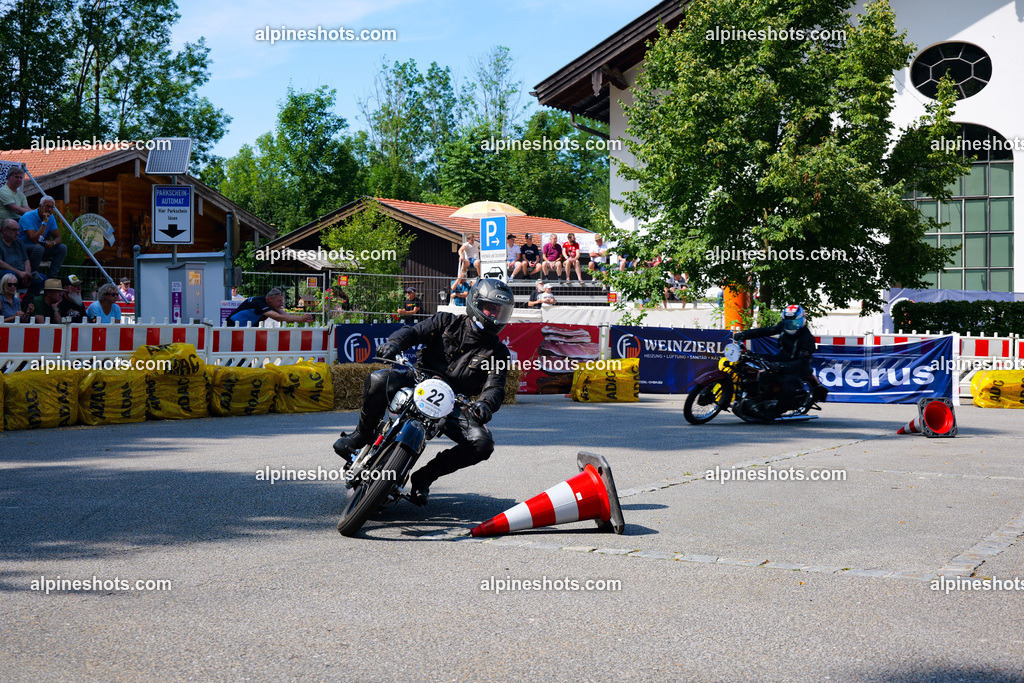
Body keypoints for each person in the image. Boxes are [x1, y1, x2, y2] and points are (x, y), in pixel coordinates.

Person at [333, 278, 515, 505]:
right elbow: (413, 332)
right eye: (490, 308)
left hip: (454, 402)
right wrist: (394, 344)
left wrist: (486, 404)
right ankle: (360, 435)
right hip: (418, 379)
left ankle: (425, 477)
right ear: (475, 303)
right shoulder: (446, 321)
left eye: (500, 311)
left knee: (482, 443)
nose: (495, 315)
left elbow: (495, 385)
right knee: (379, 379)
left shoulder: (499, 352)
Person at [734, 304, 816, 418]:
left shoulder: (807, 338)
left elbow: (802, 362)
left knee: (788, 383)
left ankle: (776, 411)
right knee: (754, 359)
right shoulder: (782, 326)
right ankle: (754, 399)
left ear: (802, 321)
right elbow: (765, 331)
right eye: (788, 323)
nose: (791, 326)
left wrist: (780, 365)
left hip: (797, 366)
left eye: (795, 323)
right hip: (781, 358)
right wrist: (744, 334)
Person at [18, 196, 66, 279]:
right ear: (40, 206)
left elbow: (58, 237)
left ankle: (52, 277)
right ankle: (33, 275)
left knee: (62, 248)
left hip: (39, 248)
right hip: (23, 249)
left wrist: (52, 243)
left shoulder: (51, 217)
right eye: (47, 206)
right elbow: (34, 240)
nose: (50, 210)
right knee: (39, 247)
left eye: (52, 207)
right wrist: (44, 222)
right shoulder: (28, 217)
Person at [0, 218, 44, 302]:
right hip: (8, 275)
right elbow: (0, 263)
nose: (18, 233)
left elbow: (26, 260)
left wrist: (27, 275)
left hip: (22, 275)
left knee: (42, 278)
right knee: (10, 276)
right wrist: (19, 273)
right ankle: (9, 303)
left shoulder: (18, 241)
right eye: (14, 230)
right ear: (4, 230)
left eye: (18, 230)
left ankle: (26, 303)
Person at [226, 286, 315, 327]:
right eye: (279, 301)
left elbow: (286, 316)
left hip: (244, 327)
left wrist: (304, 318)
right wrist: (301, 319)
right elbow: (278, 318)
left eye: (282, 301)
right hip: (231, 325)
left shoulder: (272, 305)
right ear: (269, 299)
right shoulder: (259, 302)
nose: (281, 304)